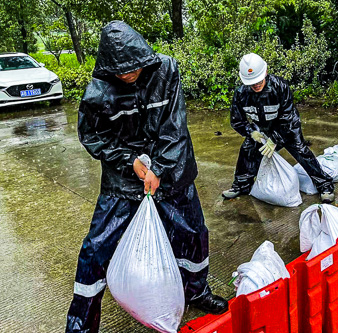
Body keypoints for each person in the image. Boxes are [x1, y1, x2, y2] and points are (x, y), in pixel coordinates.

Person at [65, 21, 228, 333]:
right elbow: (93, 137)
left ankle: (196, 290)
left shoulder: (166, 70)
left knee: (192, 232)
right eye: (121, 70)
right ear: (108, 67)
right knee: (96, 249)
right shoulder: (98, 93)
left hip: (172, 170)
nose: (129, 74)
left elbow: (174, 128)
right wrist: (130, 162)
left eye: (134, 67)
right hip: (123, 182)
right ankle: (81, 324)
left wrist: (160, 169)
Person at [222, 53, 335, 203]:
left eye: (258, 80)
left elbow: (287, 116)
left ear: (266, 72)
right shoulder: (241, 93)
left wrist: (275, 138)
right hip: (262, 130)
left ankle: (325, 186)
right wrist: (251, 132)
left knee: (302, 151)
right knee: (247, 150)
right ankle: (241, 186)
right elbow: (237, 120)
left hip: (286, 127)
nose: (256, 85)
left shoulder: (280, 86)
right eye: (252, 82)